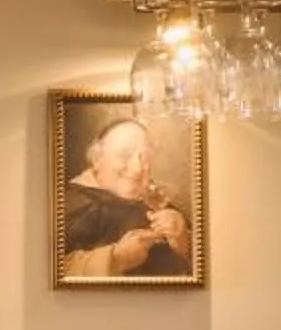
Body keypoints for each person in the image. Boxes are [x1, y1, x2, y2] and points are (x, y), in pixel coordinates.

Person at [61, 116, 189, 276]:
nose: (137, 168)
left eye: (145, 158)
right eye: (124, 155)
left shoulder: (157, 204)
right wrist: (116, 259)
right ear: (97, 160)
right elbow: (46, 272)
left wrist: (182, 238)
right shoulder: (68, 204)